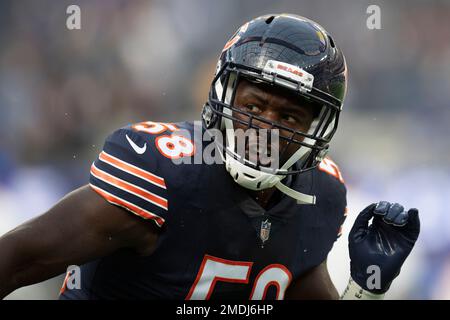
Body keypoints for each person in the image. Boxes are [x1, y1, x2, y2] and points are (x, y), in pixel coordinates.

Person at [0, 14, 419, 300]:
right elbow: (16, 259)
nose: (265, 129)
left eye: (289, 115)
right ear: (222, 97)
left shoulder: (320, 196)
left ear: (317, 130)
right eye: (253, 107)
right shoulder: (164, 174)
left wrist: (365, 291)